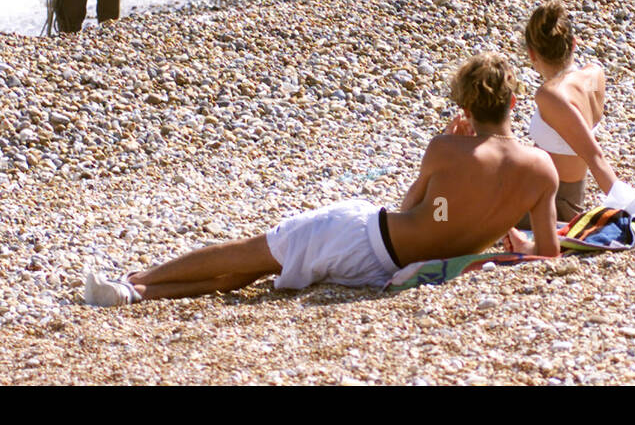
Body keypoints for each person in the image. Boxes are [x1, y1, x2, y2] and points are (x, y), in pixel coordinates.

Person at [83, 53, 560, 306]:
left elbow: (413, 208)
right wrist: (504, 236)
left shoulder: (446, 149)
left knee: (251, 252)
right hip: (379, 274)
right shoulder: (540, 170)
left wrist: (447, 144)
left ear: (467, 106)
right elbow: (546, 255)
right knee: (250, 274)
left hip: (362, 239)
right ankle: (138, 292)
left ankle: (135, 279)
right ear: (513, 104)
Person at [518, 0, 621, 223]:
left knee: (449, 188)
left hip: (546, 202)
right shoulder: (595, 74)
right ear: (574, 44)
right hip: (567, 196)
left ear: (532, 54)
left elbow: (594, 157)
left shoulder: (551, 95)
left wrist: (628, 206)